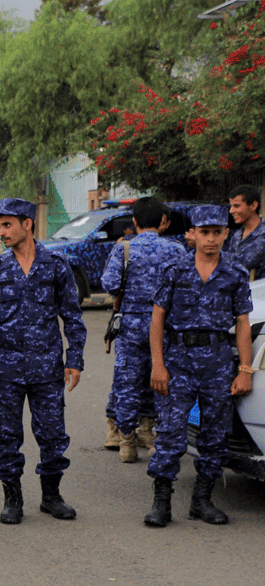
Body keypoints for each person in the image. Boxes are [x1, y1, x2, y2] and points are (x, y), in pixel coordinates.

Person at [0, 198, 85, 525]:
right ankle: (12, 498)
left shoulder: (56, 265)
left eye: (7, 225)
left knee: (53, 434)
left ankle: (51, 496)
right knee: (5, 435)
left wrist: (74, 359)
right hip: (5, 368)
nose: (1, 232)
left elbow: (72, 316)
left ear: (27, 224)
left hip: (47, 367)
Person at [144, 205, 253, 527]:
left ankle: (202, 501)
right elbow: (157, 318)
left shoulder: (234, 272)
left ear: (226, 234)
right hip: (178, 360)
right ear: (192, 233)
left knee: (215, 435)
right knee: (170, 433)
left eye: (217, 232)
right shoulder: (175, 269)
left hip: (218, 363)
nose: (211, 239)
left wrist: (245, 370)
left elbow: (243, 323)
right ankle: (161, 503)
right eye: (204, 232)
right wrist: (158, 364)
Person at [99, 197, 188, 463]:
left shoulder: (124, 248)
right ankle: (155, 437)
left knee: (127, 384)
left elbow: (109, 284)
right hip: (163, 326)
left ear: (134, 221)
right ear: (163, 221)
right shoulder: (176, 250)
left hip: (130, 326)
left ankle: (126, 442)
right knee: (160, 381)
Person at [226, 184, 265, 279]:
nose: (231, 211)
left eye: (236, 206)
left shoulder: (263, 234)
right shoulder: (237, 236)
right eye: (231, 206)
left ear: (253, 205)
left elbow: (241, 262)